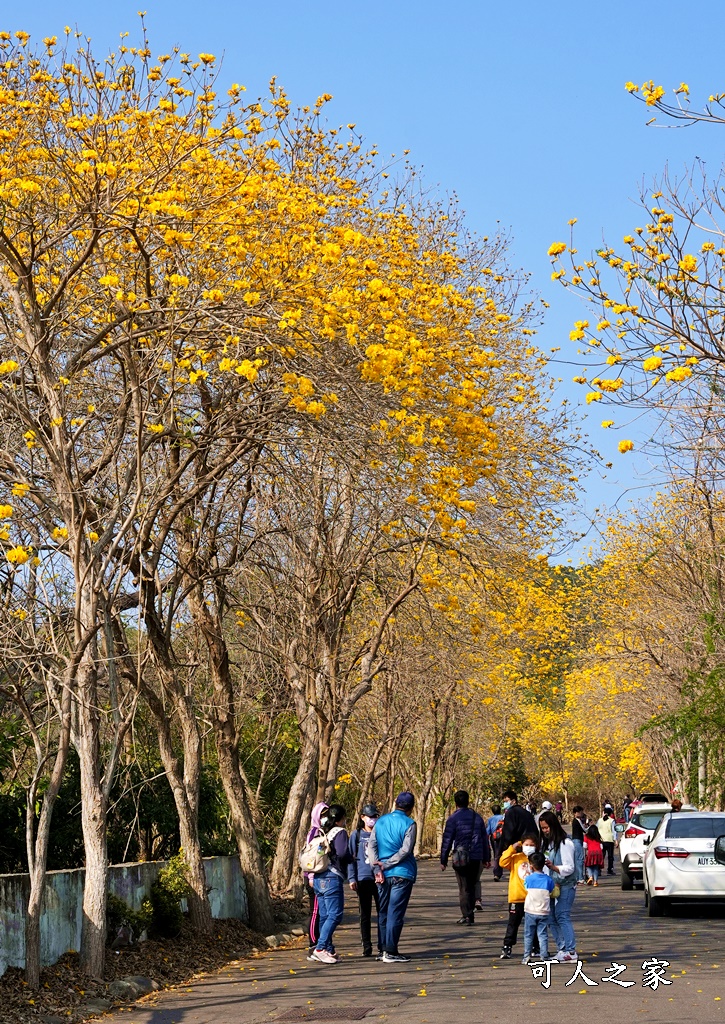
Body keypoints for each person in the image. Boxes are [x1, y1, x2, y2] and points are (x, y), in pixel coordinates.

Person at [369, 791, 417, 963]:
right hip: (402, 873)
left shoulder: (380, 821)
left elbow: (371, 845)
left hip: (382, 874)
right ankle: (390, 951)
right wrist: (388, 863)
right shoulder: (410, 823)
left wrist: (377, 866)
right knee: (395, 912)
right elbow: (406, 850)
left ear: (396, 802)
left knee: (383, 911)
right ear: (411, 808)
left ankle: (382, 949)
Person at [440, 790, 491, 924]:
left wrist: (443, 860)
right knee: (472, 884)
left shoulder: (453, 818)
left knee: (464, 887)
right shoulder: (477, 817)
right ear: (468, 801)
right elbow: (484, 839)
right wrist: (486, 858)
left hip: (460, 857)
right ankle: (470, 914)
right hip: (476, 856)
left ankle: (467, 915)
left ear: (455, 803)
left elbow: (447, 840)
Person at [310, 804, 351, 964]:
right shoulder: (339, 832)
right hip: (332, 877)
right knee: (335, 914)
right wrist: (351, 857)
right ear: (340, 819)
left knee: (325, 915)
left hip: (319, 876)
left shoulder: (321, 832)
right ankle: (320, 948)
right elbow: (341, 852)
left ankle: (328, 949)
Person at [538, 810, 578, 962]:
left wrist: (554, 867)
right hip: (551, 885)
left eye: (547, 827)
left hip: (566, 884)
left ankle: (571, 951)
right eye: (542, 828)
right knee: (550, 916)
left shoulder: (565, 843)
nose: (545, 831)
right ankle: (562, 948)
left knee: (562, 914)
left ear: (554, 825)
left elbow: (570, 867)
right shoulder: (547, 844)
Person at [497, 833, 540, 959]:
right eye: (527, 845)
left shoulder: (537, 859)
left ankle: (535, 946)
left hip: (532, 897)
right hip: (517, 897)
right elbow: (502, 862)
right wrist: (513, 847)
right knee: (513, 923)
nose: (529, 847)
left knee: (533, 923)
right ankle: (507, 946)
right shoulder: (516, 858)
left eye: (532, 845)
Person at [348, 802, 382, 957]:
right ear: (362, 817)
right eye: (369, 816)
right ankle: (367, 946)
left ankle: (383, 945)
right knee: (365, 915)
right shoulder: (356, 835)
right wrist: (351, 878)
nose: (372, 819)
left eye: (375, 816)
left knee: (383, 913)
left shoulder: (380, 833)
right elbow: (350, 858)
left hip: (379, 878)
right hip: (363, 879)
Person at [304, 801, 328, 956]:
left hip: (322, 877)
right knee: (315, 911)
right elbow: (312, 857)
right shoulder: (314, 832)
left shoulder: (323, 832)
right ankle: (313, 942)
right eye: (323, 816)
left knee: (322, 911)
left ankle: (321, 942)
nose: (326, 818)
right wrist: (311, 876)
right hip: (313, 877)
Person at [522, 851, 555, 964]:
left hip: (530, 910)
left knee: (528, 934)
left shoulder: (529, 879)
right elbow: (551, 890)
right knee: (542, 934)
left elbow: (526, 888)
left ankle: (526, 956)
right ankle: (544, 955)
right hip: (544, 911)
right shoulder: (548, 880)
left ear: (531, 865)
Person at [487, 804, 504, 883]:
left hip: (494, 838)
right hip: (503, 838)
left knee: (496, 855)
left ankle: (497, 873)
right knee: (501, 854)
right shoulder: (503, 817)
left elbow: (488, 831)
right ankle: (499, 872)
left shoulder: (490, 819)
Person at [596, 808, 617, 875]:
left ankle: (599, 870)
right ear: (611, 814)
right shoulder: (612, 821)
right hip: (609, 840)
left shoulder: (599, 820)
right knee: (610, 856)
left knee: (601, 856)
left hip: (601, 840)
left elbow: (596, 829)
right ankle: (610, 870)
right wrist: (616, 840)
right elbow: (614, 831)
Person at [570, 805, 586, 884]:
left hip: (576, 840)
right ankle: (580, 878)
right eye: (580, 812)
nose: (581, 813)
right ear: (575, 813)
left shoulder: (576, 820)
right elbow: (584, 830)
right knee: (579, 859)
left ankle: (578, 877)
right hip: (577, 840)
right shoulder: (577, 820)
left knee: (577, 859)